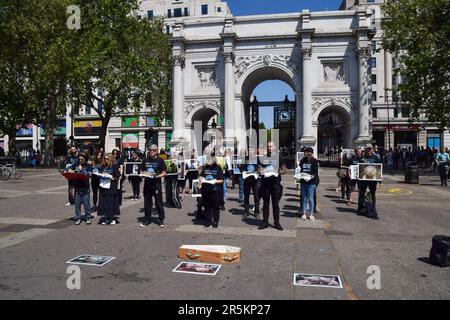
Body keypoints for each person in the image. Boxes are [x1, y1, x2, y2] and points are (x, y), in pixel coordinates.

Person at [258, 141, 286, 231]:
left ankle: (277, 222)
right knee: (265, 204)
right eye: (268, 146)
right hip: (265, 184)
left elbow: (284, 169)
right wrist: (260, 171)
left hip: (275, 184)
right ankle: (265, 222)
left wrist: (279, 172)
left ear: (274, 147)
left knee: (275, 204)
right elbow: (258, 168)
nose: (269, 148)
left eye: (271, 146)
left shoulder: (278, 157)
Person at [140, 145, 167, 227]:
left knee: (159, 203)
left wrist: (158, 176)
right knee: (147, 203)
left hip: (156, 184)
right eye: (150, 150)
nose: (152, 151)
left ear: (156, 151)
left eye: (154, 150)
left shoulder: (160, 160)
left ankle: (161, 219)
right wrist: (143, 174)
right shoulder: (145, 160)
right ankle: (147, 219)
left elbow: (164, 172)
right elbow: (141, 171)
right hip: (147, 184)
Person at [198, 155, 224, 229]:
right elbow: (201, 176)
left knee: (215, 206)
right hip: (206, 190)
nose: (207, 161)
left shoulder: (218, 168)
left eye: (208, 160)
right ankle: (208, 221)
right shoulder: (205, 167)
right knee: (207, 206)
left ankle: (215, 221)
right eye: (207, 160)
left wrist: (215, 181)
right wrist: (201, 178)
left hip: (215, 190)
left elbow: (221, 180)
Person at [357, 147, 381, 219]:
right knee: (362, 193)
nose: (369, 150)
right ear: (365, 150)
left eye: (370, 149)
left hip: (373, 179)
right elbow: (358, 168)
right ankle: (360, 209)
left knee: (372, 194)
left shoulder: (376, 158)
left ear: (372, 149)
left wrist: (379, 180)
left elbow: (379, 169)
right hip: (364, 178)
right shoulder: (362, 158)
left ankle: (372, 210)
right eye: (367, 149)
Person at [68, 153, 92, 225]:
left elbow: (89, 174)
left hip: (85, 187)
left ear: (85, 159)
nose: (80, 160)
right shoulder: (75, 164)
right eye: (79, 159)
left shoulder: (88, 165)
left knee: (86, 204)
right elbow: (69, 170)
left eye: (82, 159)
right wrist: (70, 171)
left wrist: (82, 171)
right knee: (77, 204)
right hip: (77, 187)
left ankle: (88, 217)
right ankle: (78, 217)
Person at [97, 154, 121, 225]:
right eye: (105, 158)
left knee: (111, 203)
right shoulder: (103, 166)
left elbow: (118, 176)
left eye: (107, 159)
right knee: (104, 203)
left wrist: (111, 177)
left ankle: (112, 218)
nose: (106, 160)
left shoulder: (114, 166)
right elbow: (100, 174)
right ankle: (107, 218)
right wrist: (99, 175)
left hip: (111, 188)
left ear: (111, 159)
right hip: (103, 187)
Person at [299, 147, 319, 221]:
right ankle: (304, 213)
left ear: (309, 153)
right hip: (303, 182)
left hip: (311, 182)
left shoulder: (314, 161)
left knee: (310, 198)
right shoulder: (302, 160)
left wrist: (312, 176)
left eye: (305, 152)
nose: (304, 153)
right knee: (303, 198)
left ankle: (311, 214)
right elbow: (299, 169)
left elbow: (315, 172)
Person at [240, 147, 261, 219]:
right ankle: (246, 212)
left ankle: (257, 212)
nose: (250, 152)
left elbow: (260, 168)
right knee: (246, 196)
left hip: (255, 180)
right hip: (247, 179)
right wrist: (243, 171)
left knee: (256, 196)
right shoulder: (245, 159)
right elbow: (241, 168)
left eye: (251, 150)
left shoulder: (257, 159)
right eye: (249, 151)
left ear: (254, 151)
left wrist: (258, 171)